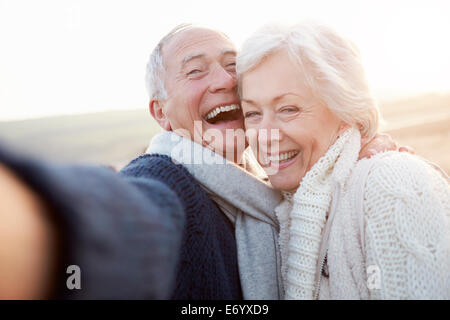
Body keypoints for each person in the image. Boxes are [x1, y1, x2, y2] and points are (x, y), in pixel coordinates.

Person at [0, 23, 405, 300]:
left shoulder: (266, 191)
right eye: (195, 70)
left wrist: (353, 156)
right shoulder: (167, 182)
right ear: (161, 114)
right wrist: (38, 222)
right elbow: (131, 218)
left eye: (233, 65)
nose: (224, 80)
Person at [237, 21, 450, 299]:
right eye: (252, 113)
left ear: (346, 109)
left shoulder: (391, 184)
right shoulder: (279, 210)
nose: (264, 136)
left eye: (288, 109)